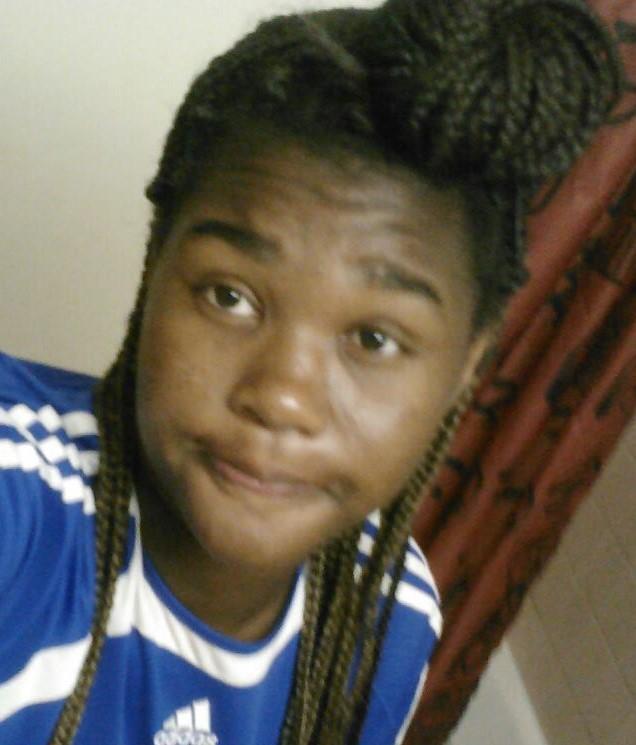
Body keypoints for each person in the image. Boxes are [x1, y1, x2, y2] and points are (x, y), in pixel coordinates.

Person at [0, 0, 623, 743]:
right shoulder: (18, 502)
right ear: (157, 259)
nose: (282, 397)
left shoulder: (388, 619)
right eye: (229, 296)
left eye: (374, 338)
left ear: (467, 367)